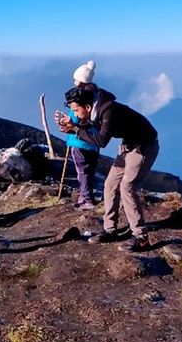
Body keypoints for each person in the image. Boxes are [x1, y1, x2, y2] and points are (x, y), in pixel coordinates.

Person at [57, 86, 159, 252]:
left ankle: (141, 238)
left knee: (127, 187)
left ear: (88, 107)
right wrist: (74, 126)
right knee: (110, 184)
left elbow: (101, 141)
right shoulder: (97, 109)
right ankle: (110, 230)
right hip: (128, 145)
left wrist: (75, 130)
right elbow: (91, 123)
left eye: (76, 110)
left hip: (144, 147)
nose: (75, 115)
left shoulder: (108, 110)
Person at [55, 60, 100, 208]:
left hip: (79, 140)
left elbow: (75, 118)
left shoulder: (80, 97)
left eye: (77, 79)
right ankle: (87, 197)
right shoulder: (97, 95)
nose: (74, 82)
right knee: (89, 170)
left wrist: (65, 122)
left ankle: (86, 200)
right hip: (94, 140)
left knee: (82, 171)